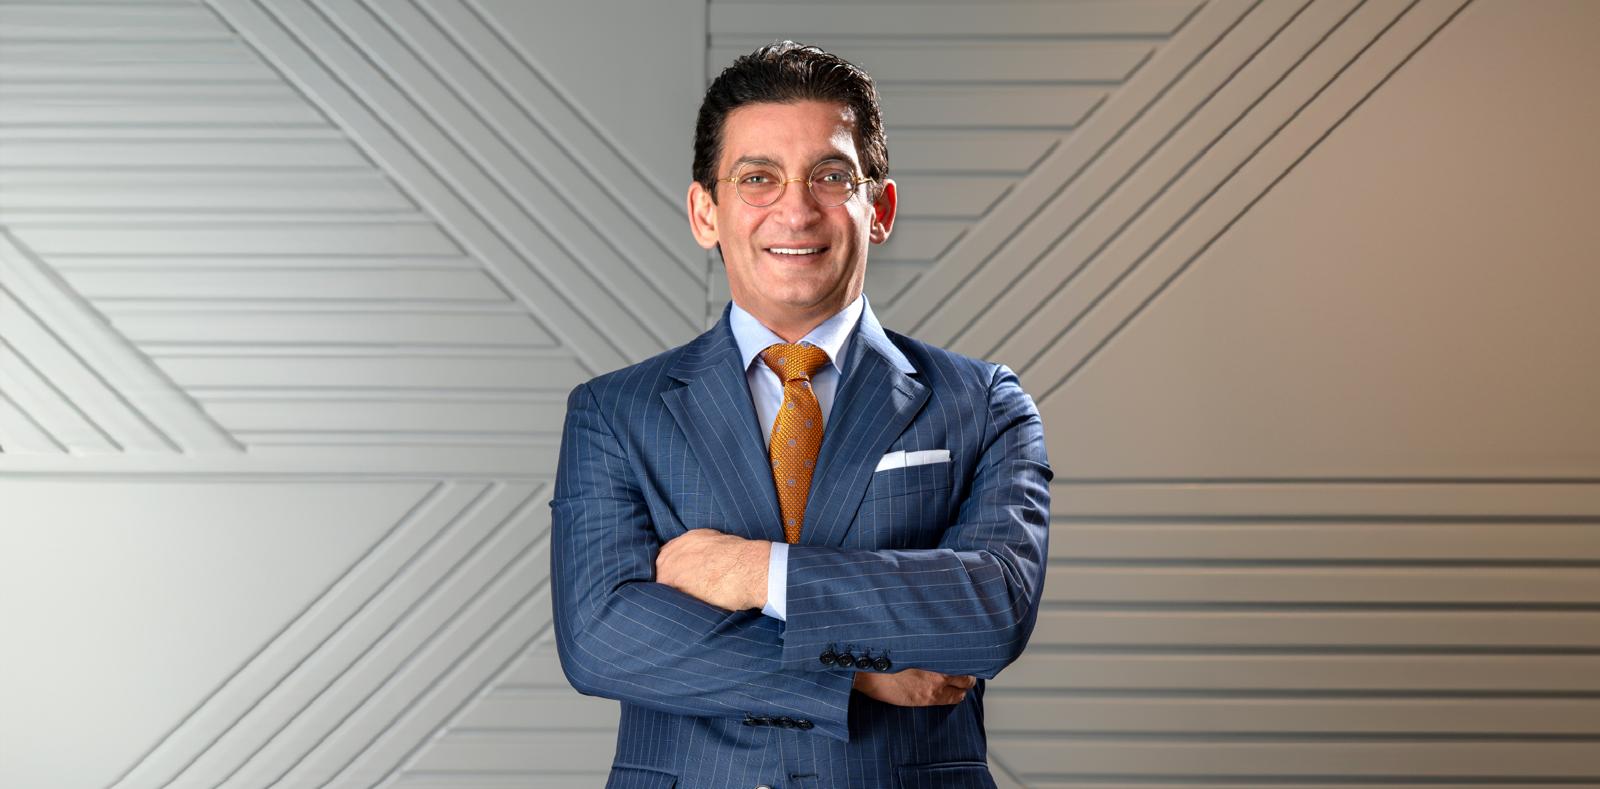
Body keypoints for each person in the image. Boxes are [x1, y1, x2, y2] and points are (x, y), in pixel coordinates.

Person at [551, 41, 1051, 789]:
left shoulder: (983, 403)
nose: (795, 209)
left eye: (831, 176)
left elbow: (989, 607)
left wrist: (756, 571)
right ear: (705, 213)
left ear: (879, 210)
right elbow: (603, 638)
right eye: (758, 178)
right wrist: (849, 674)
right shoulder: (615, 413)